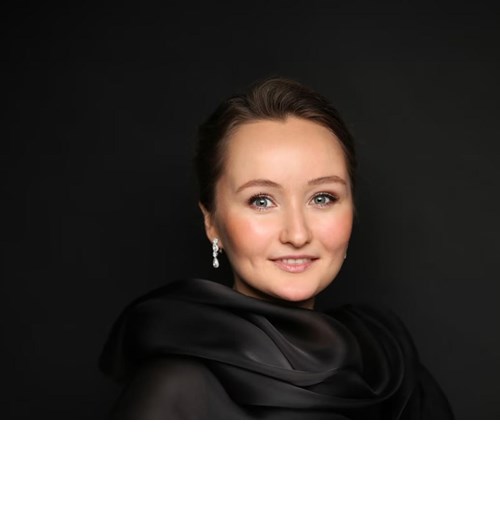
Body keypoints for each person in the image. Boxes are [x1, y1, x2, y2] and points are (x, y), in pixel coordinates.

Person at [99, 76, 453, 419]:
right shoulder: (178, 388)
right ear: (211, 221)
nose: (297, 234)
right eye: (262, 201)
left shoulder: (387, 360)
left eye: (322, 198)